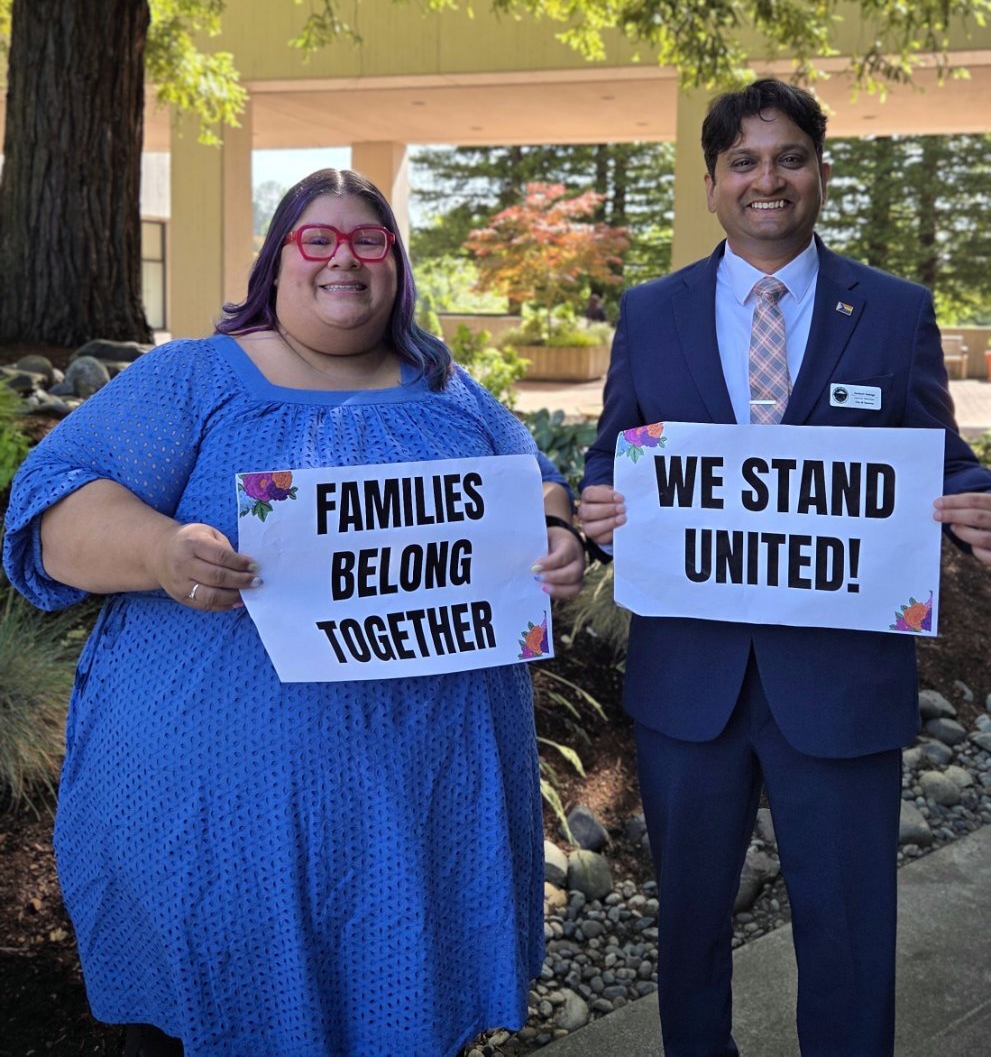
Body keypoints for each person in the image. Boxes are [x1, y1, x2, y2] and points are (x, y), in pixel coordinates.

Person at [2, 168, 585, 1057]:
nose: (342, 258)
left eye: (367, 240)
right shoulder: (196, 378)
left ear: (395, 265)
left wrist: (553, 529)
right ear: (276, 264)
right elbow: (54, 507)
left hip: (418, 809)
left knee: (396, 1010)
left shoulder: (446, 389)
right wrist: (161, 551)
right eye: (318, 239)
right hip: (215, 815)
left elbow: (532, 475)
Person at [579, 79, 991, 1056]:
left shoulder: (891, 312)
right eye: (744, 162)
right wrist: (597, 511)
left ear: (819, 171)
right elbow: (611, 461)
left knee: (848, 933)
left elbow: (938, 457)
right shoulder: (651, 311)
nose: (769, 180)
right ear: (715, 183)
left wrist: (978, 499)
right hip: (690, 683)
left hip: (839, 679)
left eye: (789, 158)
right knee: (687, 934)